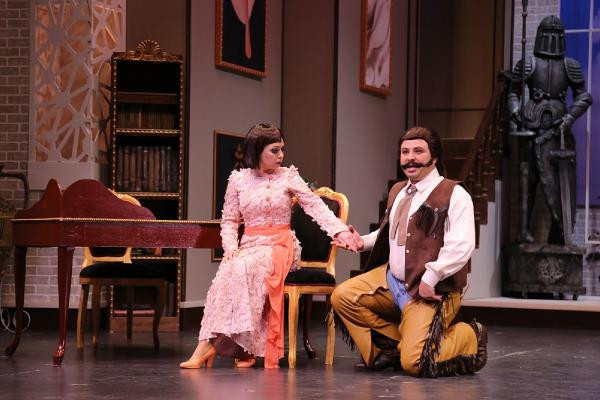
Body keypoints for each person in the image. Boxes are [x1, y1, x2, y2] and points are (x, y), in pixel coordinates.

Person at [180, 123, 358, 369]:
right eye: (275, 150)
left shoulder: (288, 176)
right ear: (257, 150)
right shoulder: (238, 180)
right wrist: (230, 249)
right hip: (248, 247)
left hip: (280, 245)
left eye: (282, 149)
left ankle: (210, 348)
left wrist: (340, 231)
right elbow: (229, 220)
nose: (281, 155)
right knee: (230, 268)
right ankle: (241, 348)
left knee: (243, 267)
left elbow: (315, 206)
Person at [331, 126, 487, 377]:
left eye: (418, 151)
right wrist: (363, 242)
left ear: (434, 157)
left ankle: (469, 336)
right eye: (405, 152)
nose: (410, 158)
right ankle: (390, 347)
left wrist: (431, 277)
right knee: (343, 296)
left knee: (413, 362)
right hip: (392, 280)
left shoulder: (454, 194)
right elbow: (393, 233)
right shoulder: (399, 190)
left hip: (430, 289)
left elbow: (462, 245)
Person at [507, 15, 592, 245]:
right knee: (527, 182)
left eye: (556, 34)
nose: (552, 38)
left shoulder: (570, 65)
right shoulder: (528, 64)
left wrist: (569, 118)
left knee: (560, 185)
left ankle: (560, 234)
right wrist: (515, 111)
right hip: (530, 129)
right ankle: (523, 232)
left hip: (558, 132)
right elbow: (513, 92)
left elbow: (584, 97)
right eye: (548, 33)